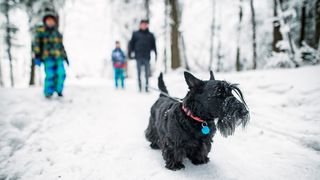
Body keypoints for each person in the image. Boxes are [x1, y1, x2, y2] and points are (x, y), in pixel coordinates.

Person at [32, 12, 69, 98]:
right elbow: (37, 44)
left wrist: (66, 57)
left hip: (59, 57)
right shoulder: (41, 32)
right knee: (50, 75)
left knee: (61, 73)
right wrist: (37, 55)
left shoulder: (57, 33)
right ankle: (48, 92)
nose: (50, 22)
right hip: (47, 57)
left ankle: (59, 90)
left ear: (55, 22)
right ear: (45, 22)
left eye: (51, 20)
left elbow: (61, 46)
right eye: (48, 20)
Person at [128, 19, 157, 92]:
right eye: (142, 24)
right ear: (140, 25)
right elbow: (131, 44)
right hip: (138, 56)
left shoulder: (150, 35)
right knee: (139, 73)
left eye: (145, 24)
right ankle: (140, 88)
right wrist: (129, 53)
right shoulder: (135, 34)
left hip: (147, 57)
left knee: (147, 74)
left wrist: (156, 54)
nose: (144, 25)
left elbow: (154, 46)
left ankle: (147, 88)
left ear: (147, 25)